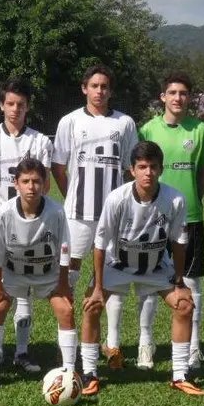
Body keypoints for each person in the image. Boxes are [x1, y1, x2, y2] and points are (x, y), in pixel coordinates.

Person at [81, 141, 204, 396]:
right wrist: (98, 287)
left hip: (156, 266)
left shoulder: (175, 199)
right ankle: (89, 373)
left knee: (184, 305)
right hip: (117, 264)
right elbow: (100, 244)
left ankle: (180, 375)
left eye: (153, 167)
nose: (148, 172)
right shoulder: (117, 199)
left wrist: (179, 282)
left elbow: (179, 242)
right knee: (91, 305)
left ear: (161, 169)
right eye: (142, 167)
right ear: (132, 170)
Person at [50, 64, 138, 369]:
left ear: (110, 91)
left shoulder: (124, 123)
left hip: (113, 217)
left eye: (104, 86)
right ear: (84, 88)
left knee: (111, 276)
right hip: (77, 213)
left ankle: (112, 344)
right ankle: (67, 342)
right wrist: (71, 194)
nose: (99, 91)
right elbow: (58, 166)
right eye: (94, 85)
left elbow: (131, 167)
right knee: (69, 273)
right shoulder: (70, 121)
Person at [133, 72, 204, 370]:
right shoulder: (147, 129)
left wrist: (191, 202)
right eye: (172, 92)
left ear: (189, 97)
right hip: (150, 218)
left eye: (183, 93)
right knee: (148, 282)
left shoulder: (202, 131)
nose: (177, 98)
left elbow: (203, 174)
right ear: (163, 97)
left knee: (191, 282)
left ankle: (193, 347)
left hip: (189, 217)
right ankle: (145, 344)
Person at [0, 77, 54, 372]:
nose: (15, 109)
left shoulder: (40, 142)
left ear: (27, 107)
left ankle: (22, 351)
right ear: (1, 105)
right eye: (10, 103)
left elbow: (45, 186)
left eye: (21, 104)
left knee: (25, 290)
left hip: (28, 226)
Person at [0, 158, 76, 392]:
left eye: (36, 181)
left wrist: (63, 284)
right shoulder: (4, 212)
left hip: (47, 274)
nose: (31, 187)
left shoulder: (56, 211)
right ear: (16, 184)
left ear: (44, 184)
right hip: (14, 273)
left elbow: (64, 250)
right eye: (25, 181)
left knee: (66, 310)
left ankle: (69, 372)